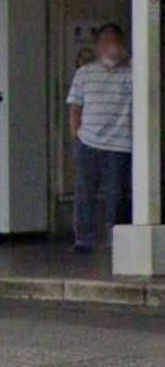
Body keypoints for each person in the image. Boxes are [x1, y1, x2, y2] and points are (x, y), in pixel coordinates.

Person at [67, 22, 132, 254]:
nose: (110, 47)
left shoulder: (133, 72)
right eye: (105, 42)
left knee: (117, 195)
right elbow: (75, 107)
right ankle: (83, 239)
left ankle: (116, 240)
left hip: (120, 144)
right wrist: (77, 135)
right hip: (88, 142)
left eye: (114, 41)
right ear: (98, 46)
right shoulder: (85, 73)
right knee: (85, 192)